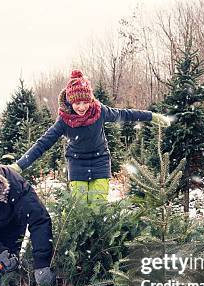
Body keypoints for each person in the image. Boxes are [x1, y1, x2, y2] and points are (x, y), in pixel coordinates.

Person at [9, 69, 170, 204]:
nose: (82, 107)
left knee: (97, 204)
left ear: (90, 99)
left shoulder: (99, 112)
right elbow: (43, 143)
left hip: (100, 161)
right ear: (70, 102)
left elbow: (125, 114)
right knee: (80, 206)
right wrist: (19, 165)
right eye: (77, 103)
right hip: (77, 162)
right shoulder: (64, 121)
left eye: (85, 102)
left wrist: (152, 116)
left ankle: (97, 241)